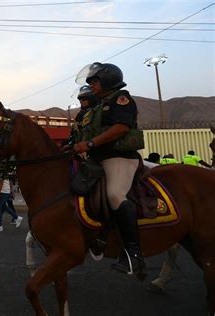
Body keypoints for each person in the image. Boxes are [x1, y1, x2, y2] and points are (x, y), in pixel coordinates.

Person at [73, 62, 145, 276]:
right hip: (97, 160)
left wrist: (92, 144)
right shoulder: (96, 107)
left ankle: (134, 255)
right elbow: (86, 136)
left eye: (94, 81)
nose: (92, 86)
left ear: (107, 80)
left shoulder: (121, 99)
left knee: (115, 195)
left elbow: (122, 127)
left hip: (119, 158)